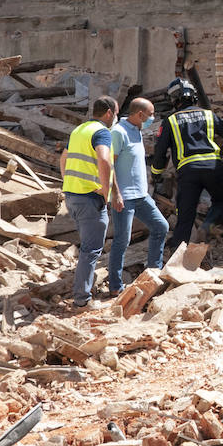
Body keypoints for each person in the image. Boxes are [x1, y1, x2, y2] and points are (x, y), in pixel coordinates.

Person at [151, 78, 223, 254]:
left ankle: (178, 251)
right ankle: (207, 225)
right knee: (221, 200)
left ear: (174, 99)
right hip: (213, 167)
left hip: (188, 172)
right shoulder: (208, 114)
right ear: (193, 96)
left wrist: (156, 174)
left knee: (185, 214)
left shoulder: (170, 121)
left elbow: (160, 152)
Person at [61, 95, 122, 308]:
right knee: (91, 250)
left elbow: (63, 158)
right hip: (90, 198)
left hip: (73, 196)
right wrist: (107, 192)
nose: (116, 117)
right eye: (116, 113)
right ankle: (82, 300)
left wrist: (67, 182)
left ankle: (82, 292)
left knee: (87, 248)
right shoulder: (102, 132)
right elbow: (104, 159)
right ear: (108, 113)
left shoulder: (79, 130)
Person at [107, 97, 169, 295]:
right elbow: (109, 166)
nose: (153, 118)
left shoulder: (137, 130)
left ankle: (153, 274)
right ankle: (115, 286)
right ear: (140, 114)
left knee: (161, 226)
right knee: (122, 240)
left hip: (141, 196)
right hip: (124, 196)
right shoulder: (118, 132)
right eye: (150, 114)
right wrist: (115, 194)